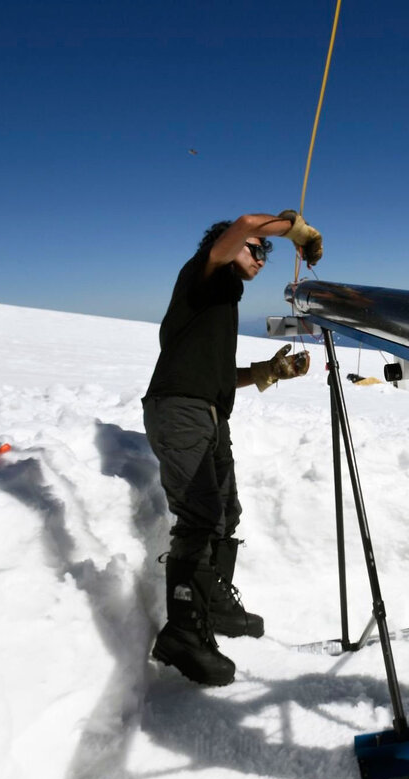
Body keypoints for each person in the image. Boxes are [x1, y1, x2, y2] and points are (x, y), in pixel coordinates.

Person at [143, 210, 324, 686]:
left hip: (207, 413)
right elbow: (244, 223)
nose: (262, 257)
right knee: (200, 516)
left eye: (266, 252)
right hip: (179, 411)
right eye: (256, 249)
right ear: (225, 247)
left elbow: (220, 376)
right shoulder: (203, 275)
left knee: (226, 511)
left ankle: (215, 603)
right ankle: (182, 632)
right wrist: (296, 231)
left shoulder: (220, 305)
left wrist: (267, 372)